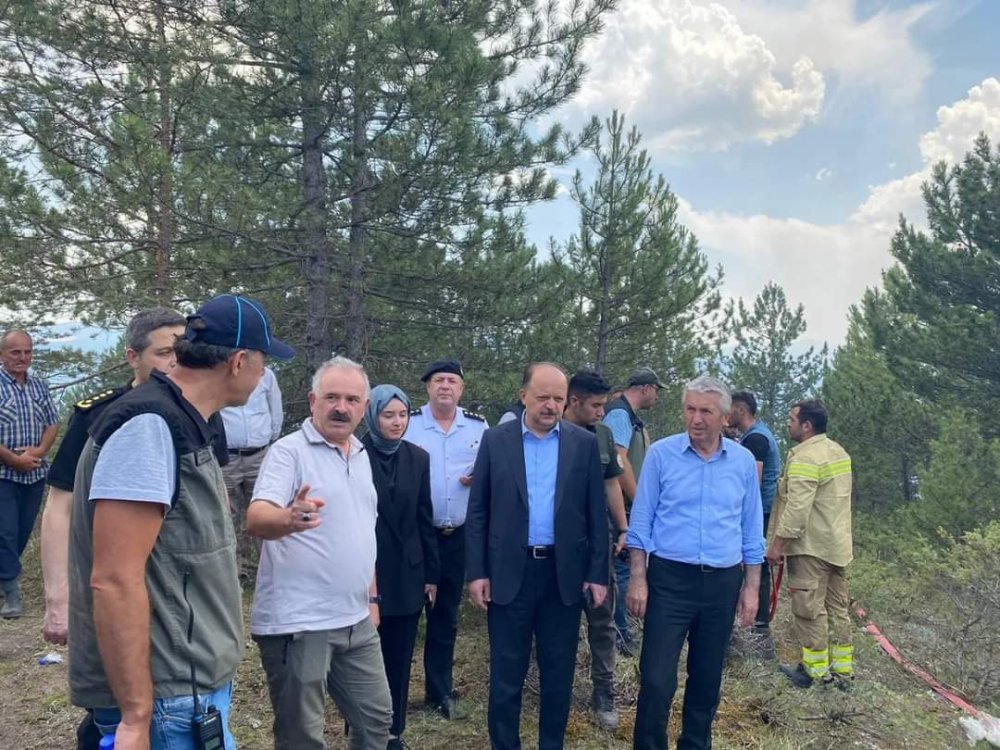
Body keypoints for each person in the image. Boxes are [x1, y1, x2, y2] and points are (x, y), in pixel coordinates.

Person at [67, 294, 293, 750]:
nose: (264, 374)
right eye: (263, 361)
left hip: (186, 689)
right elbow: (113, 579)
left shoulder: (184, 420)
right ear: (238, 361)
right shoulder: (149, 428)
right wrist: (136, 716)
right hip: (168, 698)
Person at [43, 308, 191, 750]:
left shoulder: (195, 414)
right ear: (132, 356)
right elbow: (60, 505)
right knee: (112, 702)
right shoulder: (100, 415)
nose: (174, 362)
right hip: (110, 580)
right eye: (163, 353)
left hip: (171, 598)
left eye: (181, 352)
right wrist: (57, 599)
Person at [247, 356, 392, 750]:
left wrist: (371, 598)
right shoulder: (288, 453)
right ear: (313, 401)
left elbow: (361, 532)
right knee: (302, 739)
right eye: (331, 397)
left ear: (365, 407)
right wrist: (288, 518)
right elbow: (257, 518)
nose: (341, 407)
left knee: (376, 723)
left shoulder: (359, 454)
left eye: (351, 399)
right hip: (300, 623)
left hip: (356, 619)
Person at [466, 362, 608, 750]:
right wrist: (477, 572)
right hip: (508, 572)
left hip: (563, 576)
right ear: (523, 395)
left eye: (558, 399)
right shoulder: (496, 441)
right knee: (506, 674)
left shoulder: (583, 444)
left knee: (558, 675)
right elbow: (478, 510)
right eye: (542, 397)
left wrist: (597, 573)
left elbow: (596, 513)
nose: (550, 405)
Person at [626, 375, 764, 750]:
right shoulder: (661, 455)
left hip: (721, 584)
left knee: (706, 680)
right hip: (670, 580)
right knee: (656, 679)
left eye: (706, 411)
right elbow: (641, 521)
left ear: (725, 417)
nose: (696, 419)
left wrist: (752, 589)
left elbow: (752, 530)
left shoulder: (742, 462)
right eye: (690, 409)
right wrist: (638, 577)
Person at [402, 359, 488, 718]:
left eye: (452, 381)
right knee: (405, 614)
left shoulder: (478, 427)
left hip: (457, 537)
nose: (445, 386)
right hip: (415, 536)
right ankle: (393, 695)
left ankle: (439, 693)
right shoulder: (408, 424)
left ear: (462, 388)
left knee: (445, 616)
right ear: (428, 387)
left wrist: (479, 475)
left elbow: (491, 471)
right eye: (439, 380)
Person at [362, 385, 440, 750]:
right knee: (364, 658)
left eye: (403, 415)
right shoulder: (354, 454)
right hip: (368, 571)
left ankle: (394, 731)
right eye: (388, 415)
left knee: (400, 655)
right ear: (372, 416)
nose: (397, 422)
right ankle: (362, 728)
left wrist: (431, 574)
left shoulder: (418, 458)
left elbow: (426, 518)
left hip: (408, 572)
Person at [766, 399, 854, 689]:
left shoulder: (806, 458)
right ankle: (843, 674)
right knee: (838, 611)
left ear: (806, 425)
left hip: (810, 549)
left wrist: (777, 545)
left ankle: (815, 675)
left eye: (792, 419)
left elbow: (797, 510)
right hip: (837, 547)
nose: (787, 424)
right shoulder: (838, 451)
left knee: (809, 611)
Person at [562, 369, 628, 731]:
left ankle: (604, 692)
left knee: (602, 619)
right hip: (560, 544)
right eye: (596, 405)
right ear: (574, 401)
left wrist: (623, 528)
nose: (602, 412)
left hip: (598, 540)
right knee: (559, 620)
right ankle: (555, 684)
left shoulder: (603, 435)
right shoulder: (552, 432)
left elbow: (612, 485)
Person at [603, 365, 663, 651]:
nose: (657, 398)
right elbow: (619, 460)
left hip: (627, 505)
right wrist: (639, 500)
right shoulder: (619, 414)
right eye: (656, 391)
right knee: (622, 568)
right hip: (622, 507)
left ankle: (620, 628)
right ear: (646, 388)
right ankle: (618, 632)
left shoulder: (629, 416)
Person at [0, 329, 59, 619]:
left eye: (27, 352)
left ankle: (5, 579)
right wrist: (13, 459)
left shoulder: (38, 385)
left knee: (21, 532)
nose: (22, 357)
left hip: (33, 474)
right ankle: (12, 594)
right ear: (2, 354)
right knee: (5, 532)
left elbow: (52, 422)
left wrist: (39, 451)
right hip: (3, 474)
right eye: (15, 352)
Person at [728, 390, 782, 640]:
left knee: (754, 561)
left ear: (740, 409)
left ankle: (758, 624)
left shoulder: (756, 439)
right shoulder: (755, 434)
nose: (726, 414)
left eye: (729, 409)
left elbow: (753, 480)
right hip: (764, 508)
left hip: (760, 510)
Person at [220, 365, 283, 573]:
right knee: (226, 516)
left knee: (265, 512)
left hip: (258, 456)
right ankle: (231, 572)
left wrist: (268, 440)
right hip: (226, 457)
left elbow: (275, 410)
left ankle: (271, 571)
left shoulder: (266, 376)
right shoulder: (220, 371)